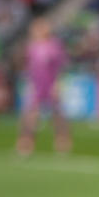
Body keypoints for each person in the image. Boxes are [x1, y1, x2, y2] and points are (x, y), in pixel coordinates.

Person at [17, 18, 71, 156]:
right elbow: (29, 67)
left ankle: (62, 141)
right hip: (36, 85)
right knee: (30, 114)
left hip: (51, 84)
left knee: (57, 114)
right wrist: (29, 83)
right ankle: (26, 142)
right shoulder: (32, 47)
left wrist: (57, 84)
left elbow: (60, 67)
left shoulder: (54, 46)